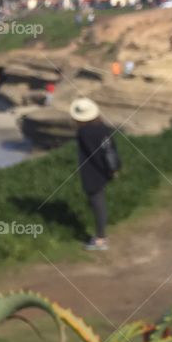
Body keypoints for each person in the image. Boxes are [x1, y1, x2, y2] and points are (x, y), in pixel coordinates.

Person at [70, 98, 120, 251]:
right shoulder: (102, 128)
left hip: (92, 172)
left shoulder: (84, 132)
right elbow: (109, 150)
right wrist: (112, 169)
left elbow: (94, 154)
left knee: (98, 204)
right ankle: (101, 236)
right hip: (104, 170)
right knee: (98, 203)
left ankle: (100, 239)